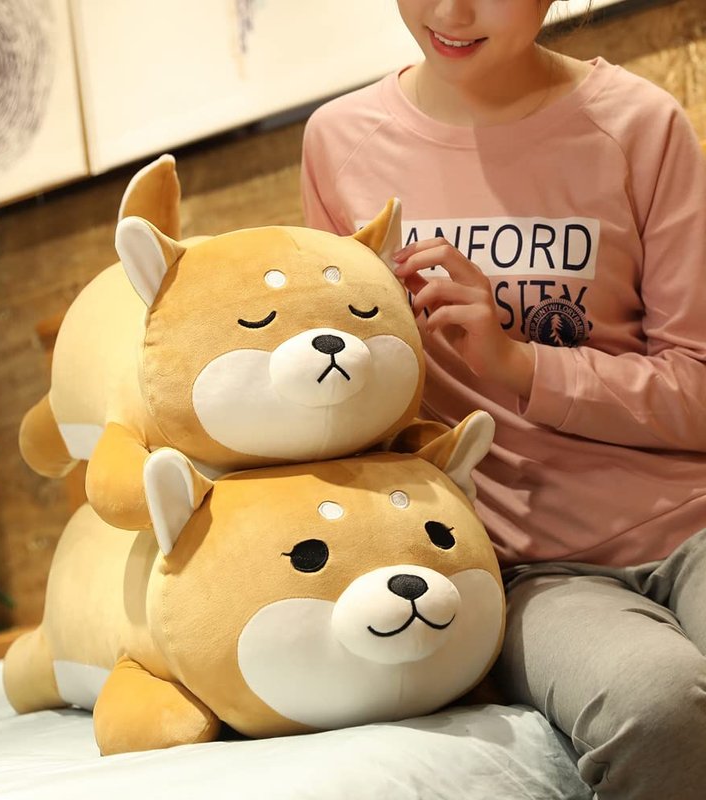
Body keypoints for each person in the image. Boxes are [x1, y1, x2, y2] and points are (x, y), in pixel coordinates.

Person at [299, 1, 706, 798]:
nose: (451, 12)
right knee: (658, 705)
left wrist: (520, 364)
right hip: (526, 570)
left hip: (690, 523)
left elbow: (697, 380)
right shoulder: (340, 142)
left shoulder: (640, 125)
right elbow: (349, 404)